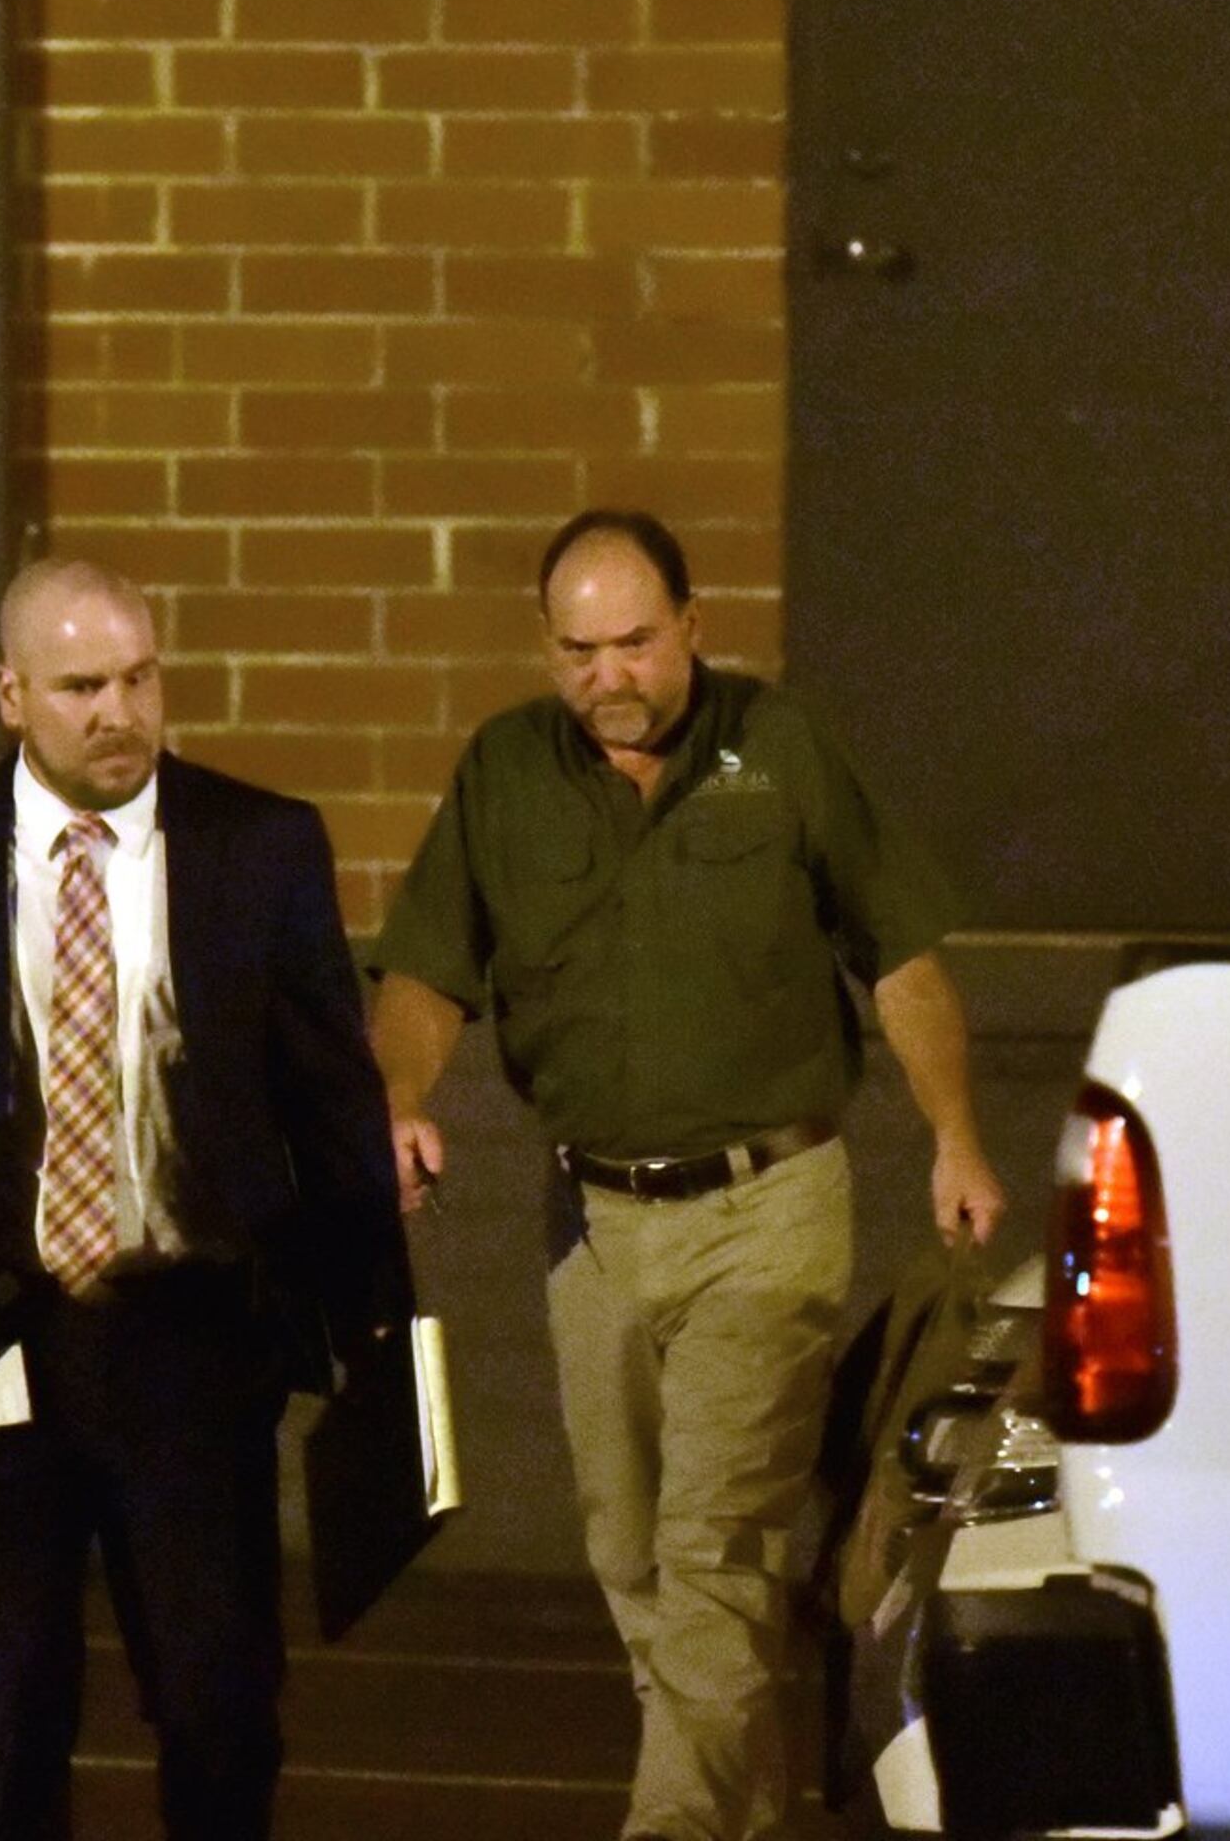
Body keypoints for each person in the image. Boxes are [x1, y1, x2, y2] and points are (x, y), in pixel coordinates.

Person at [371, 509, 1004, 1841]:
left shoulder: (782, 752)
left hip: (767, 1213)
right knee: (633, 1561)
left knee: (712, 1559)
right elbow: (428, 970)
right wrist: (400, 1094)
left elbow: (902, 958)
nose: (615, 675)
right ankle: (752, 1819)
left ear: (694, 627)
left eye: (640, 642)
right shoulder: (504, 774)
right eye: (584, 649)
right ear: (547, 650)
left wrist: (953, 1129)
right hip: (591, 1225)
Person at [0, 557, 411, 1841]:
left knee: (219, 1705)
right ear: (13, 695)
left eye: (139, 677)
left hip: (188, 1340)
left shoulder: (258, 846)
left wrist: (380, 1331)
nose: (119, 711)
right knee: (5, 1712)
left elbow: (333, 1102)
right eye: (81, 686)